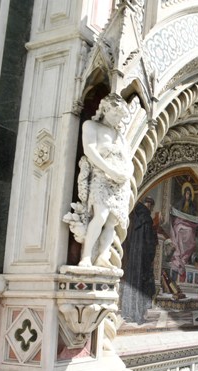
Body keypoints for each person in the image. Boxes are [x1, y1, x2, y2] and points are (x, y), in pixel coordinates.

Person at [74, 93, 134, 268]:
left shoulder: (119, 135)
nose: (118, 120)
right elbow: (89, 150)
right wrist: (110, 171)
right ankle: (86, 256)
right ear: (106, 109)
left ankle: (103, 257)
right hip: (102, 177)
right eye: (116, 115)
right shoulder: (91, 126)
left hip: (120, 183)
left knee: (112, 222)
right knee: (100, 216)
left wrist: (126, 174)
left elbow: (128, 159)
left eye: (121, 117)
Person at [120, 197, 157, 324]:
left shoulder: (134, 217)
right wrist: (150, 257)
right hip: (142, 259)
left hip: (133, 258)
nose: (152, 209)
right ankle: (138, 315)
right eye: (151, 207)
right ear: (149, 205)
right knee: (141, 286)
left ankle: (128, 313)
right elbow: (149, 243)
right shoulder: (147, 219)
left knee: (132, 283)